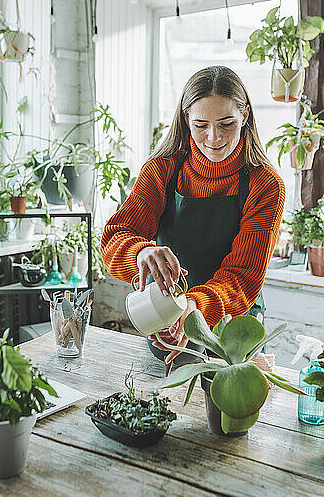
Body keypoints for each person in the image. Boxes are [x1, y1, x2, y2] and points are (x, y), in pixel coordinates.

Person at [101, 66, 285, 367]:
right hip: (169, 325)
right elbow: (114, 236)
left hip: (234, 333)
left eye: (226, 123)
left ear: (245, 116)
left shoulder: (265, 185)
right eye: (201, 125)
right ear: (186, 120)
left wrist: (193, 307)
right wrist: (141, 253)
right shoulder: (162, 170)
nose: (213, 137)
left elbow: (242, 278)